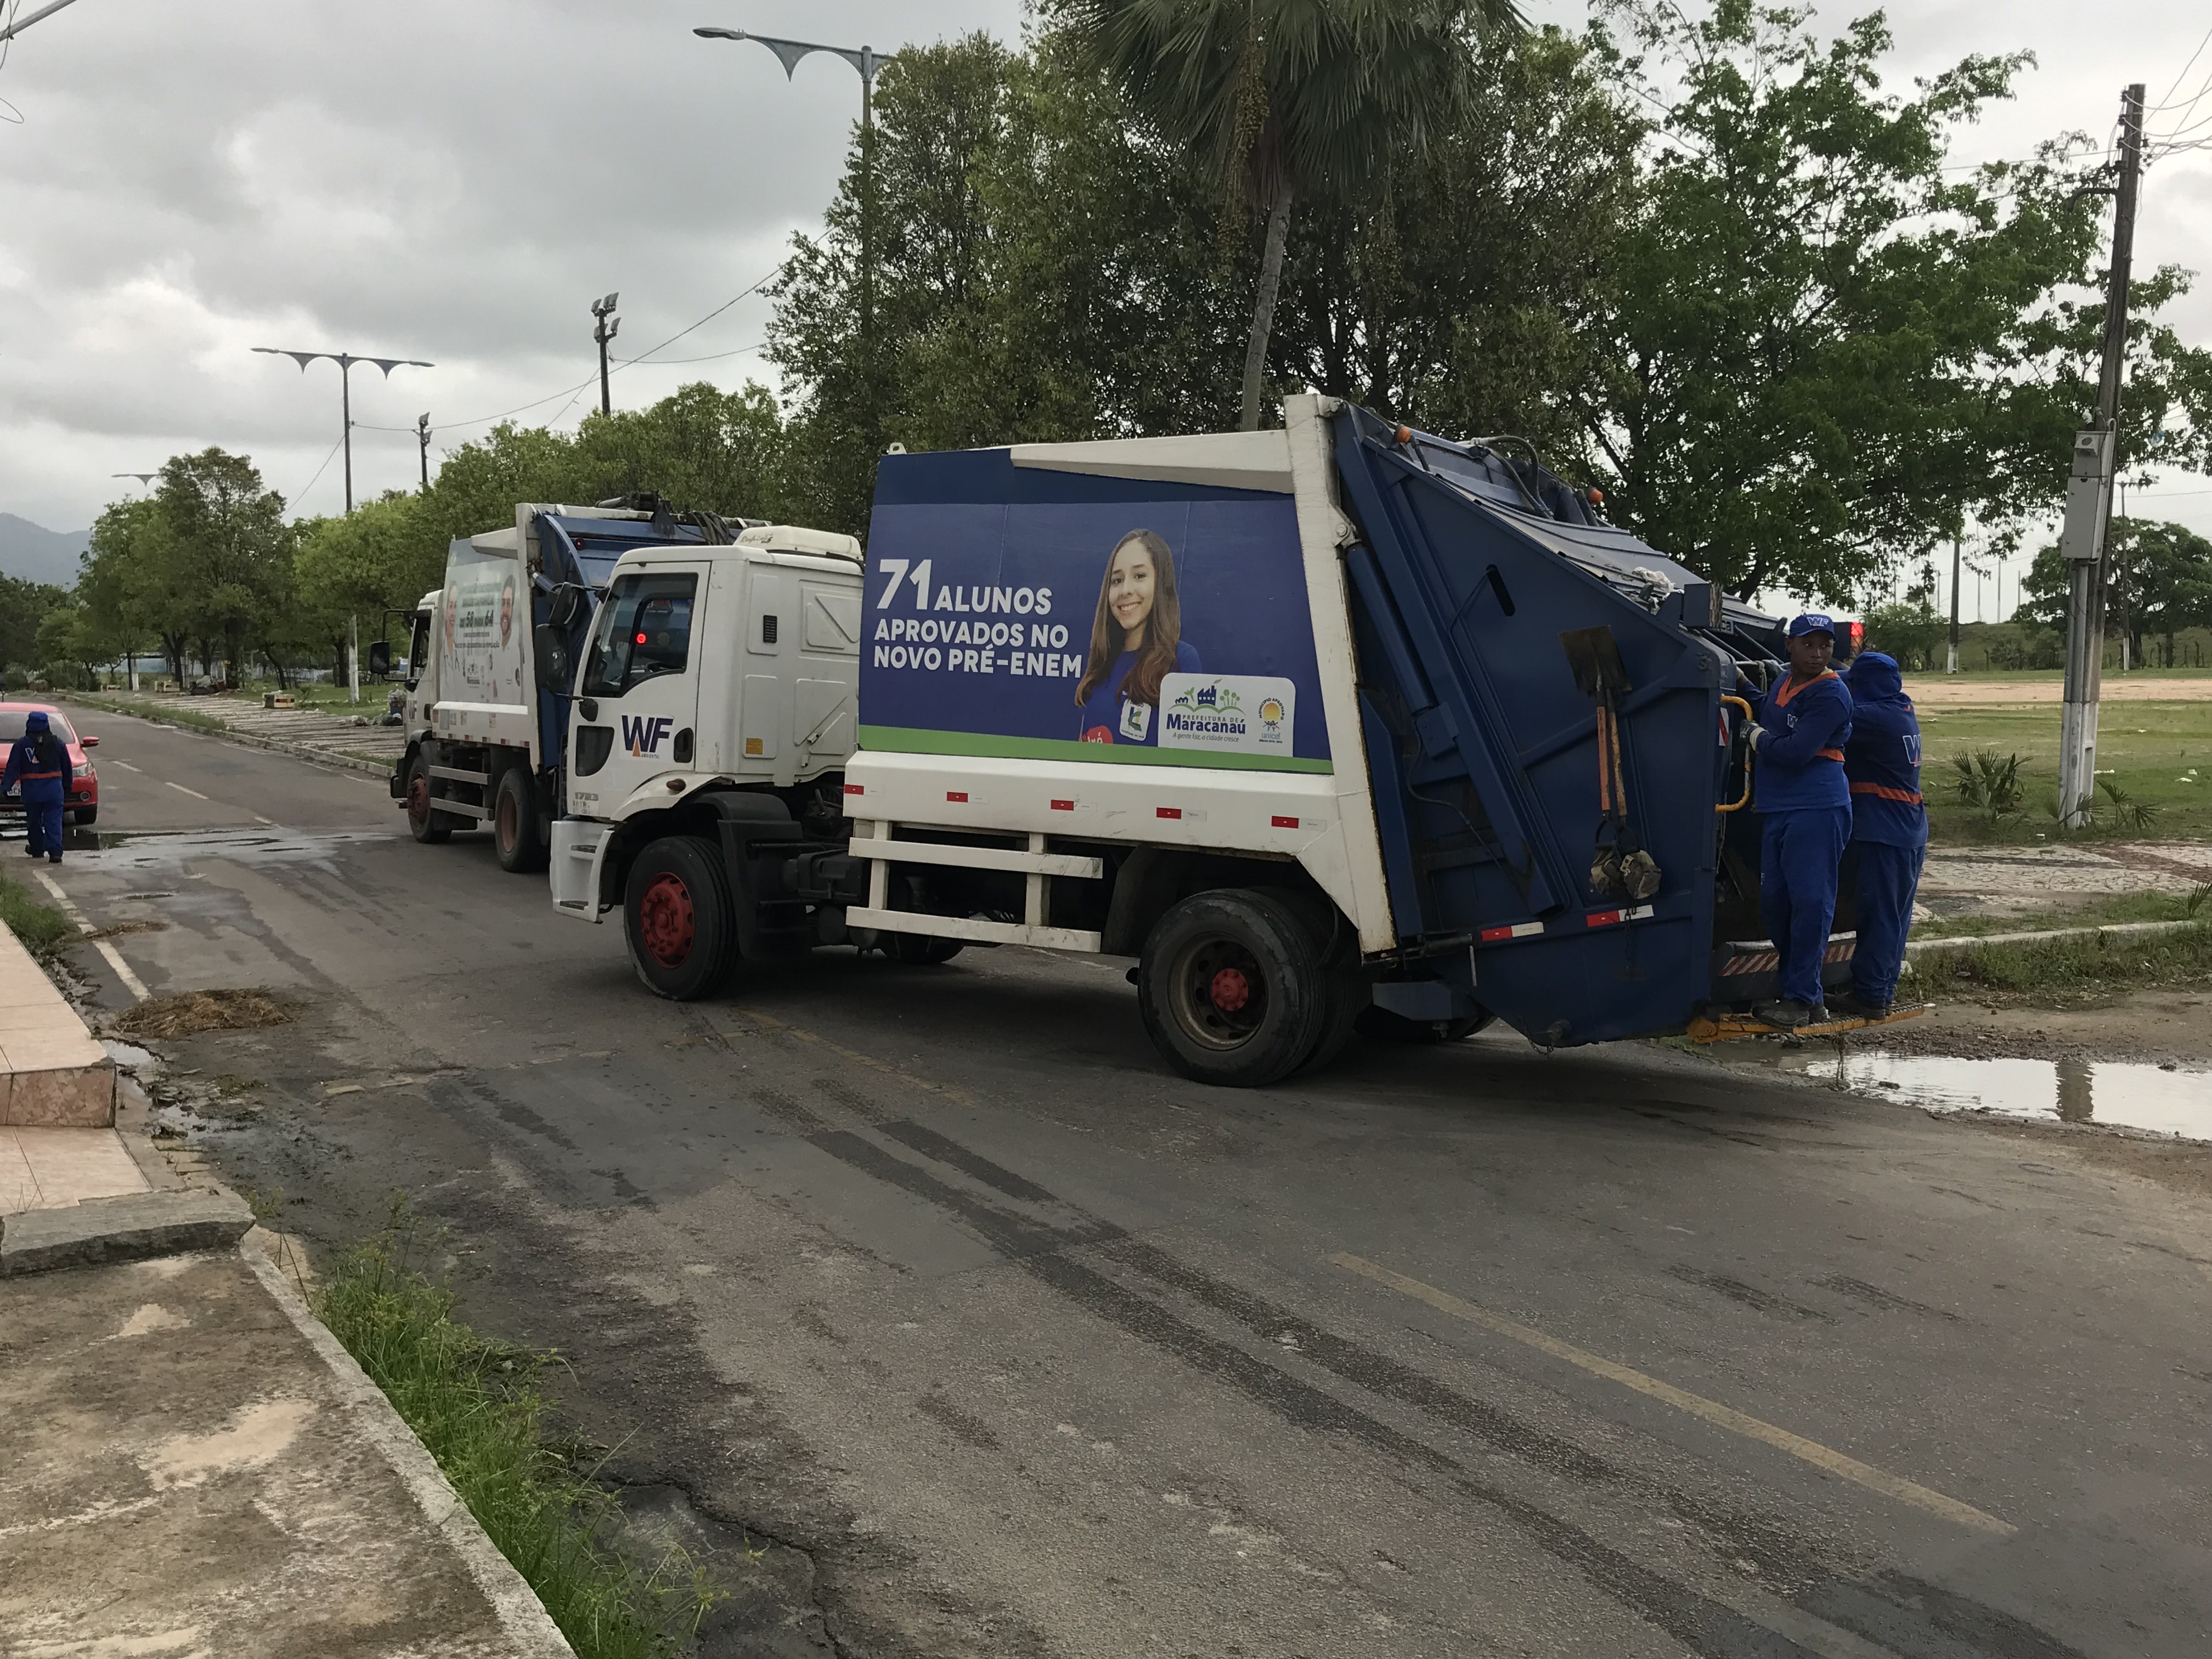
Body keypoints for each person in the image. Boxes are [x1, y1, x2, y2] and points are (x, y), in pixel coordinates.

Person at [1739, 614, 1854, 1027]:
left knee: (1810, 904)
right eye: (1809, 644)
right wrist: (1738, 684)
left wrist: (1753, 737)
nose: (1819, 652)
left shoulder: (1831, 694)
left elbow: (1794, 751)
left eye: (1825, 645)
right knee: (1777, 904)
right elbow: (1770, 711)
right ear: (1790, 646)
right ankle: (1805, 992)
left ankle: (1802, 998)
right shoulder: (1786, 682)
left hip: (1816, 808)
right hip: (1781, 807)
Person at [1836, 651, 1926, 1017]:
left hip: (1885, 832)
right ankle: (1882, 987)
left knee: (1879, 915)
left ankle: (1871, 994)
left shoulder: (1871, 719)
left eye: (1856, 683)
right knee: (1895, 916)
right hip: (1907, 829)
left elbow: (1827, 711)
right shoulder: (1899, 708)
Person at [1074, 528, 1201, 746]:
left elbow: (1192, 759)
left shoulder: (1181, 660)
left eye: (1139, 576)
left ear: (1160, 585)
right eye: (1117, 580)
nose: (1125, 590)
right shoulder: (1103, 660)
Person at [3, 710, 70, 865]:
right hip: (54, 790)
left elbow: (12, 768)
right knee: (53, 821)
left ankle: (38, 849)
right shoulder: (57, 743)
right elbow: (67, 766)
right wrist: (67, 785)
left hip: (32, 791)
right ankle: (55, 852)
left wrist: (5, 788)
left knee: (34, 821)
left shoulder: (21, 744)